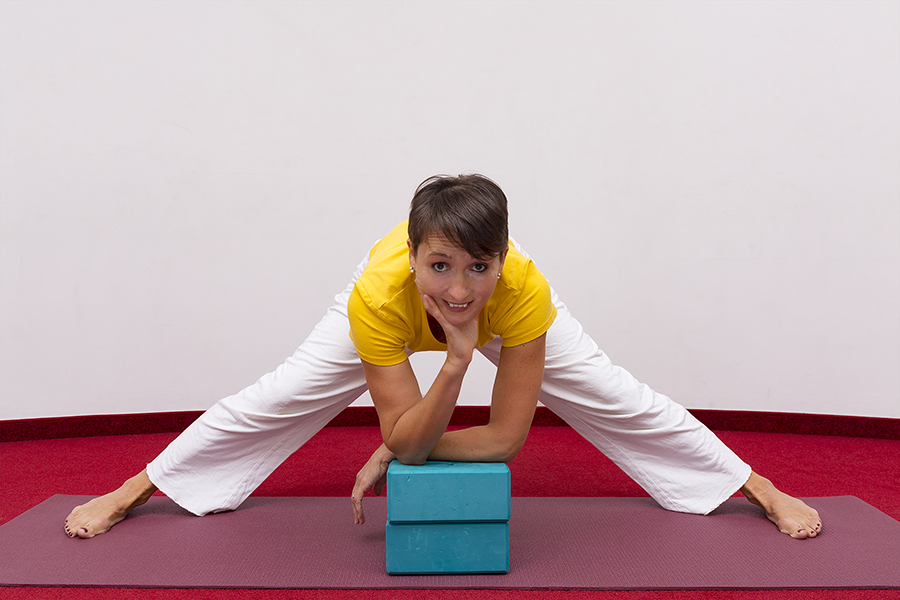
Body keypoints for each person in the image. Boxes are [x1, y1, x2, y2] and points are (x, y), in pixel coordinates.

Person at [64, 174, 822, 541]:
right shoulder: (379, 294)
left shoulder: (520, 290)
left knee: (613, 392)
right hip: (388, 313)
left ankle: (755, 486)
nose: (459, 290)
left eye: (477, 267)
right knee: (278, 393)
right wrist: (450, 373)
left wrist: (401, 452)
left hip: (512, 314)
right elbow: (407, 427)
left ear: (499, 262)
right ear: (415, 257)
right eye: (440, 266)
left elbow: (503, 437)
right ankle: (136, 488)